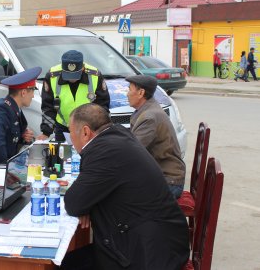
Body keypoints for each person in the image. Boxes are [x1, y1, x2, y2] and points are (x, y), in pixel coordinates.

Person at [61, 103, 189, 270]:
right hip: (150, 238)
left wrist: (86, 204)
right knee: (70, 261)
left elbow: (74, 202)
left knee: (66, 264)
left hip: (149, 254)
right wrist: (86, 203)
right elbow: (85, 197)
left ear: (85, 132)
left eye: (71, 132)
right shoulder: (118, 136)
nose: (71, 138)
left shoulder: (105, 152)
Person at [125, 75, 186, 198]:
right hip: (162, 176)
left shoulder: (149, 117)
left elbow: (131, 153)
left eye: (130, 89)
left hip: (169, 182)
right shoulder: (146, 110)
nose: (127, 94)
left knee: (120, 197)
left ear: (141, 93)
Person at [0, 67, 41, 179]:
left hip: (6, 169)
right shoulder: (1, 110)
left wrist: (22, 136)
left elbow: (10, 137)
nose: (33, 96)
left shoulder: (14, 108)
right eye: (32, 91)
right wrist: (9, 175)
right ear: (24, 92)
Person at [38, 50, 109, 142]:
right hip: (63, 127)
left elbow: (102, 106)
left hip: (88, 129)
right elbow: (48, 107)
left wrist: (101, 130)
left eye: (75, 75)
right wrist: (46, 132)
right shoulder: (52, 76)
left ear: (82, 68)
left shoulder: (94, 75)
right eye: (68, 75)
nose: (71, 79)